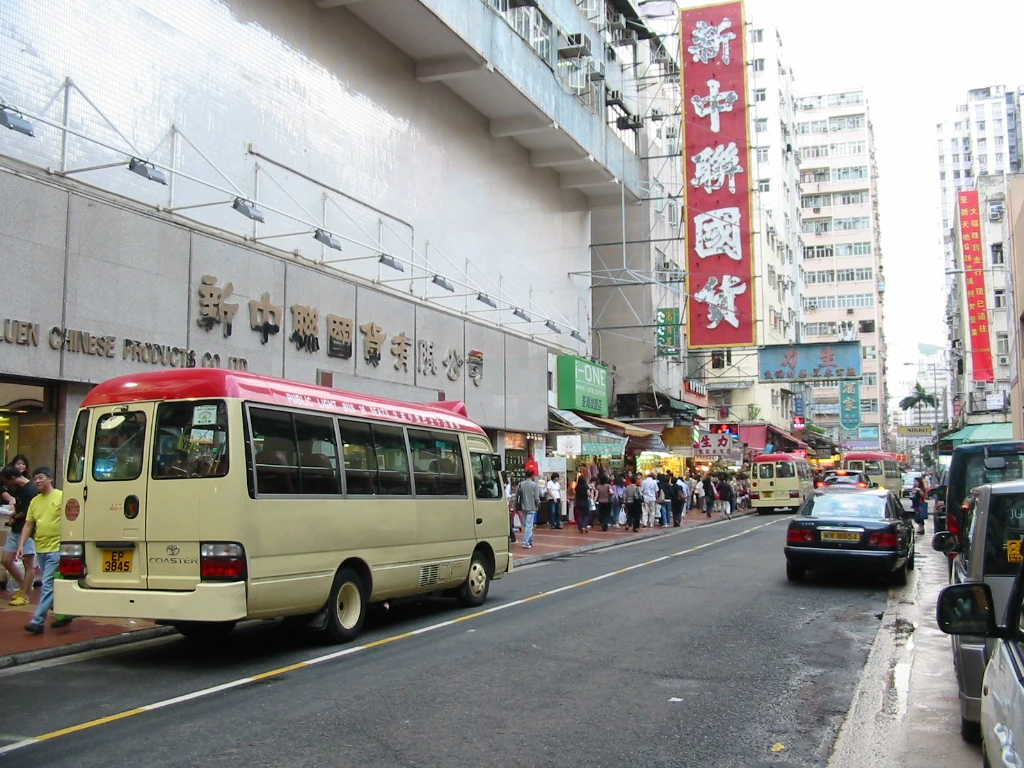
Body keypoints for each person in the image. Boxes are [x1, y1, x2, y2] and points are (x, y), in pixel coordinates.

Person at [18, 467, 71, 634]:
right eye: (35, 479)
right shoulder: (35, 501)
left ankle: (38, 621)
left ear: (50, 479)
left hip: (57, 547)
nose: (37, 481)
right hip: (41, 547)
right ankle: (66, 613)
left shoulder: (62, 496)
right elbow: (29, 524)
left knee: (47, 584)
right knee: (52, 584)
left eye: (40, 477)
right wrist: (21, 544)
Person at [1, 465, 37, 605]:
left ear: (12, 478)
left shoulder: (31, 490)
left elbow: (29, 512)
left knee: (28, 562)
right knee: (6, 560)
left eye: (6, 481)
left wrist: (16, 517)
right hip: (16, 529)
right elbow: (18, 506)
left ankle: (26, 595)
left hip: (27, 530)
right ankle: (24, 586)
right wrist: (14, 516)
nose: (6, 484)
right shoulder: (17, 488)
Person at [517, 469, 542, 548]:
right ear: (532, 475)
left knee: (526, 525)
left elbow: (517, 495)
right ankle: (525, 542)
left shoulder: (521, 484)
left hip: (523, 507)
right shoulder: (534, 485)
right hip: (531, 507)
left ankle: (530, 541)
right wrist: (538, 504)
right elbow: (537, 497)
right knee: (529, 525)